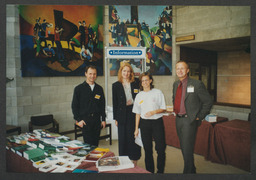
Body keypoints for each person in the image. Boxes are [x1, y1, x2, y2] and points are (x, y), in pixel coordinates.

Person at [173, 60, 213, 174]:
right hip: (178, 120)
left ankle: (188, 173)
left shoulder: (197, 84)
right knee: (184, 148)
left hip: (189, 121)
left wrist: (198, 117)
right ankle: (192, 171)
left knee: (187, 150)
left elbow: (208, 102)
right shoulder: (175, 84)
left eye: (182, 68)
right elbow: (174, 98)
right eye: (178, 68)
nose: (180, 71)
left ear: (187, 70)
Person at [133, 72, 166, 173]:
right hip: (144, 124)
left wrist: (153, 112)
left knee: (160, 149)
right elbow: (137, 113)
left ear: (151, 80)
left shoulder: (158, 92)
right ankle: (150, 171)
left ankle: (160, 171)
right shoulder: (139, 95)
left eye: (146, 80)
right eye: (142, 81)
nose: (144, 82)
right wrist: (136, 129)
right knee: (147, 150)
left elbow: (163, 108)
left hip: (157, 123)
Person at [112, 63, 141, 166]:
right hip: (121, 114)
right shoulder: (115, 85)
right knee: (123, 138)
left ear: (131, 73)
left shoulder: (136, 82)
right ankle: (123, 160)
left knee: (133, 137)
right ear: (121, 72)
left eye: (128, 71)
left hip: (133, 112)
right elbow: (115, 103)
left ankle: (135, 159)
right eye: (124, 71)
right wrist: (115, 118)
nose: (126, 73)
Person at [71, 65, 106, 146]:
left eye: (94, 74)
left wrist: (103, 119)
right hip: (85, 121)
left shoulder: (99, 89)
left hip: (97, 121)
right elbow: (74, 106)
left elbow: (102, 105)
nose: (92, 76)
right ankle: (89, 158)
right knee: (88, 145)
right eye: (90, 73)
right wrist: (78, 119)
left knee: (96, 144)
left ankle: (95, 158)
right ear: (86, 74)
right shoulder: (78, 89)